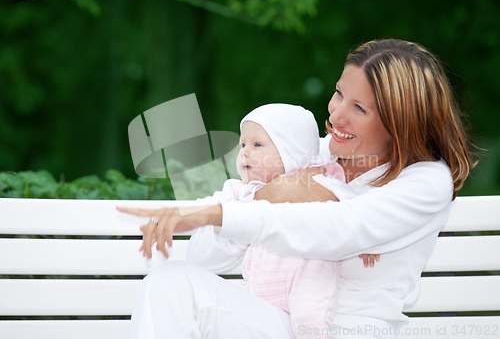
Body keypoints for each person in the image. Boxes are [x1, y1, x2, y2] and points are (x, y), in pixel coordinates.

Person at [117, 39, 475, 339]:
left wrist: (234, 209)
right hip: (277, 321)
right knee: (172, 282)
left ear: (399, 122)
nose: (336, 115)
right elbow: (203, 258)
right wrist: (250, 200)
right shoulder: (308, 154)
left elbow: (340, 228)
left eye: (359, 108)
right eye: (338, 93)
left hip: (352, 330)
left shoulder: (426, 181)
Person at [186, 103, 374, 339]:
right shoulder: (242, 191)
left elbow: (356, 213)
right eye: (243, 144)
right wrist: (250, 206)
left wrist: (368, 242)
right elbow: (207, 220)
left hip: (307, 277)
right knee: (202, 305)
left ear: (292, 152)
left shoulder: (319, 182)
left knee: (310, 322)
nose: (244, 152)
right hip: (257, 290)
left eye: (257, 145)